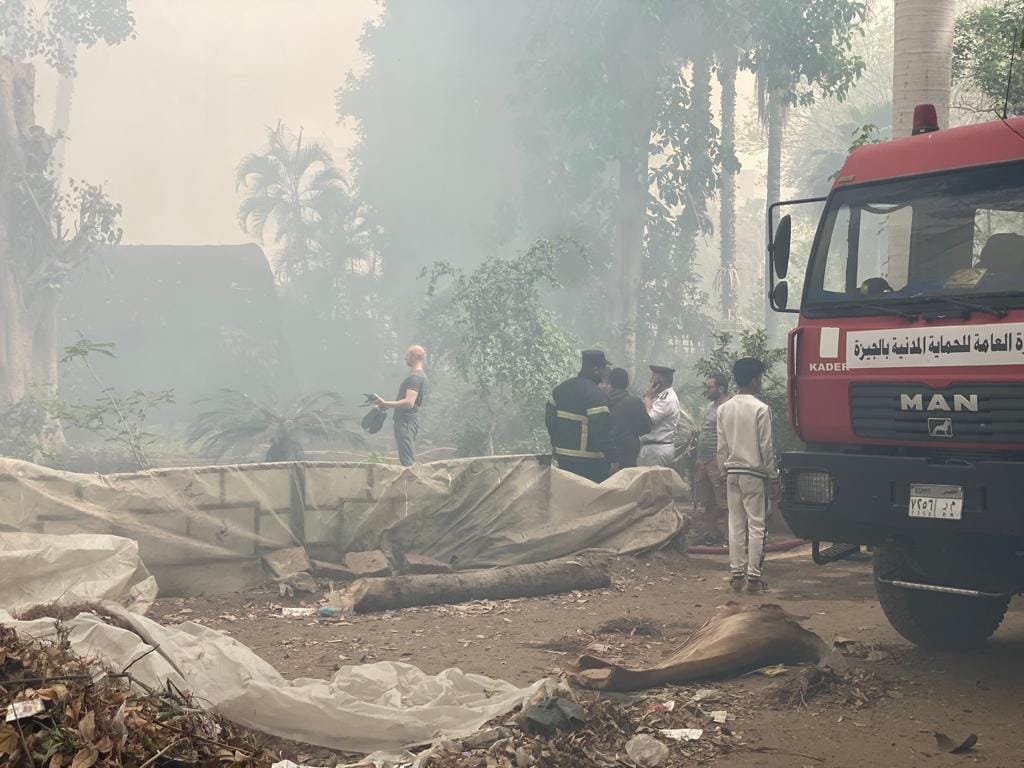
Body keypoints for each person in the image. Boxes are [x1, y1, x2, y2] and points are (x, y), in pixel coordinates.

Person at [716, 357, 780, 594]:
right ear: (754, 380)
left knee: (735, 524)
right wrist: (773, 476)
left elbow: (721, 447)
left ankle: (736, 576)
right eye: (760, 378)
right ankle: (753, 578)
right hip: (753, 473)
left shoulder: (724, 409)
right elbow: (766, 447)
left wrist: (723, 471)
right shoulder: (760, 409)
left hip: (731, 472)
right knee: (756, 525)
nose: (760, 382)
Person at [545, 350, 618, 483]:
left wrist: (555, 444)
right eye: (604, 368)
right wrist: (613, 457)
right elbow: (600, 430)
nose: (606, 372)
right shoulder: (596, 395)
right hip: (590, 462)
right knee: (589, 495)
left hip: (563, 459)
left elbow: (550, 420)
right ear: (596, 370)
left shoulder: (560, 389)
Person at [374, 345, 428, 466]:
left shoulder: (415, 378)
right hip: (408, 421)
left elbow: (409, 402)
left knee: (407, 461)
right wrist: (387, 405)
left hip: (406, 422)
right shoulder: (420, 376)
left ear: (414, 357)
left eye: (408, 355)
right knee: (406, 457)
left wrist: (386, 403)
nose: (405, 358)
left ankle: (411, 478)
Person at [694, 373, 730, 545]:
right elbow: (705, 430)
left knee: (724, 501)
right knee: (707, 500)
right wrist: (700, 458)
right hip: (704, 461)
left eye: (710, 387)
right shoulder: (710, 406)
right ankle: (712, 534)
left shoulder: (728, 407)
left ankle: (729, 537)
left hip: (718, 460)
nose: (707, 390)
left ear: (721, 388)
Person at [607, 367, 651, 469]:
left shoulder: (601, 400)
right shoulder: (635, 402)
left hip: (606, 451)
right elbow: (646, 428)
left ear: (610, 382)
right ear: (627, 383)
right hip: (628, 453)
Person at [637, 365, 681, 467]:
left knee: (654, 477)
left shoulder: (668, 399)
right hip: (651, 448)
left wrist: (648, 398)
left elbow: (649, 419)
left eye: (653, 378)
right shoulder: (658, 396)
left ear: (660, 382)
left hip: (657, 449)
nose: (650, 381)